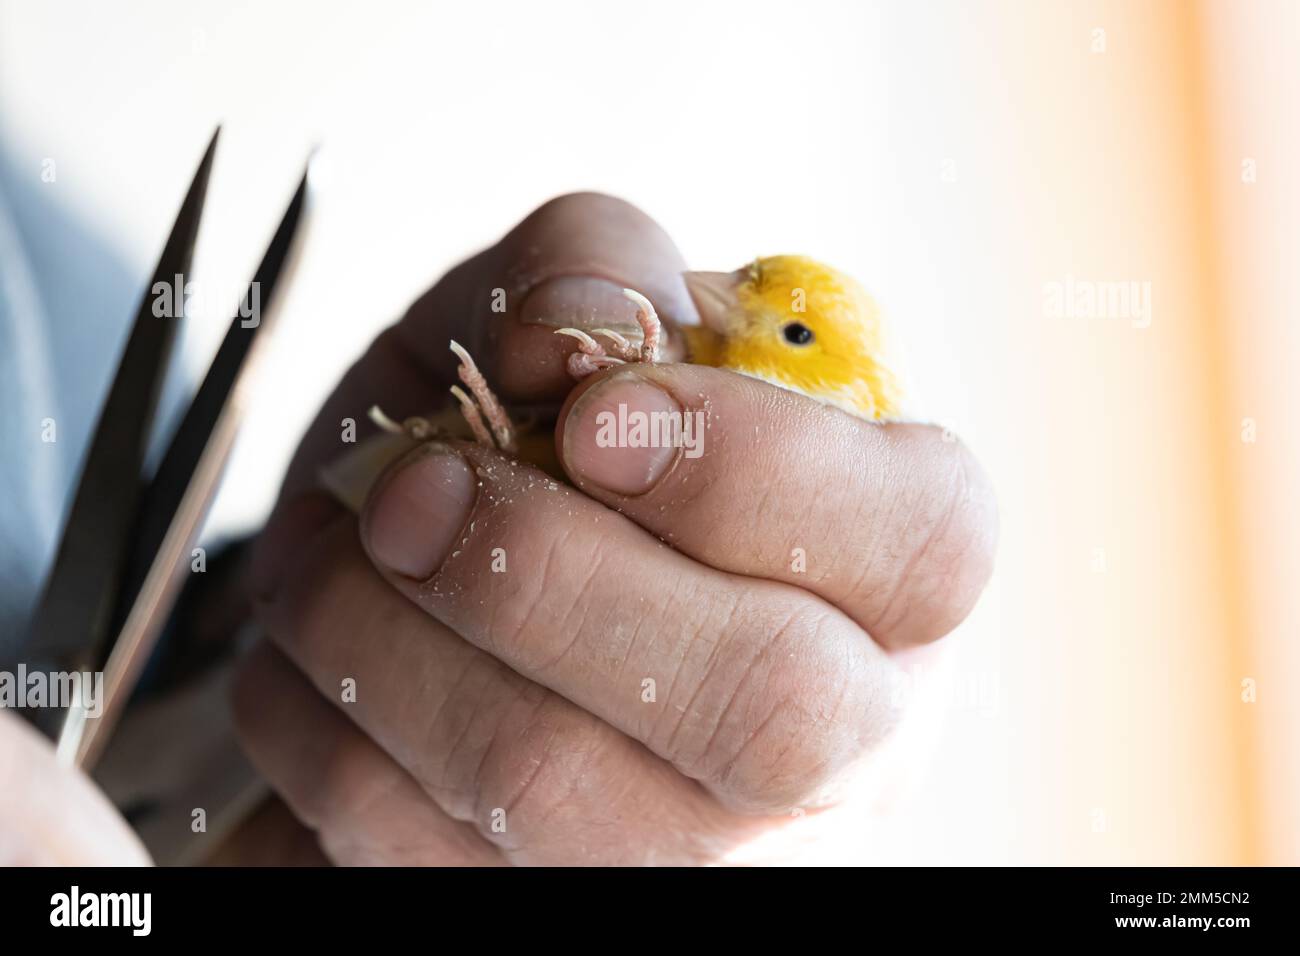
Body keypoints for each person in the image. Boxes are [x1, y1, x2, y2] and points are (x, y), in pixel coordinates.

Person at [1, 192, 997, 865]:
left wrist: (219, 622)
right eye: (748, 279)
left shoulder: (76, 326)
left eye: (783, 328)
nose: (722, 294)